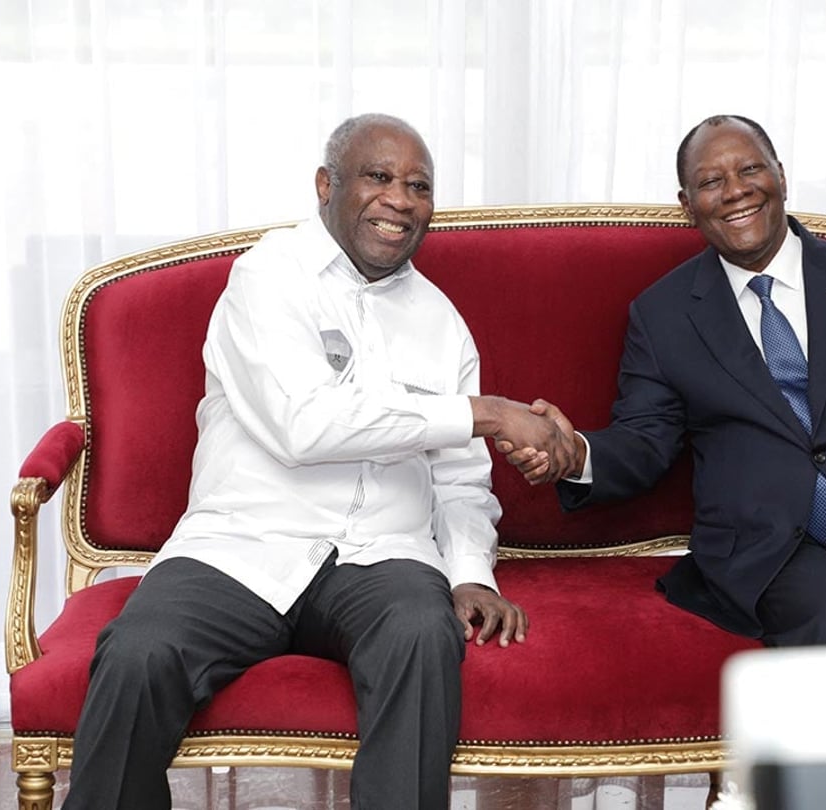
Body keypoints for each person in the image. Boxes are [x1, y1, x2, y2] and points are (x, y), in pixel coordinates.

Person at [63, 113, 575, 810]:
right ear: (325, 185)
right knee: (137, 654)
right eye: (378, 176)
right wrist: (484, 412)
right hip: (242, 547)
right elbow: (302, 424)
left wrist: (468, 572)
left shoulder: (439, 320)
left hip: (382, 558)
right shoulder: (267, 277)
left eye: (418, 185)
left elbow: (458, 478)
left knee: (422, 637)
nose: (400, 199)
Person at [501, 114, 826, 679]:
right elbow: (645, 441)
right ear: (687, 204)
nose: (735, 190)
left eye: (750, 169)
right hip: (778, 548)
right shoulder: (663, 315)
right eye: (712, 182)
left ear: (781, 175)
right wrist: (577, 454)